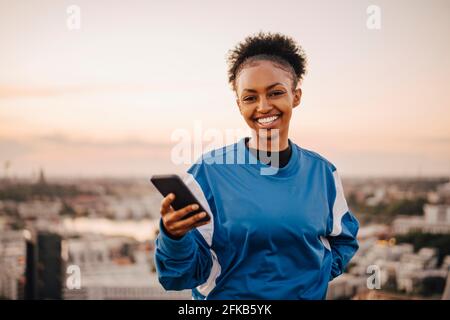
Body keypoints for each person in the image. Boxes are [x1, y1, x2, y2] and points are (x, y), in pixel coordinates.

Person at [154, 31, 359, 299]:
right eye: (250, 97)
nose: (263, 106)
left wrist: (312, 280)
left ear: (295, 96)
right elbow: (178, 276)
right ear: (239, 104)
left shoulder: (323, 173)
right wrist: (173, 237)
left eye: (275, 93)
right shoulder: (208, 173)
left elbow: (343, 240)